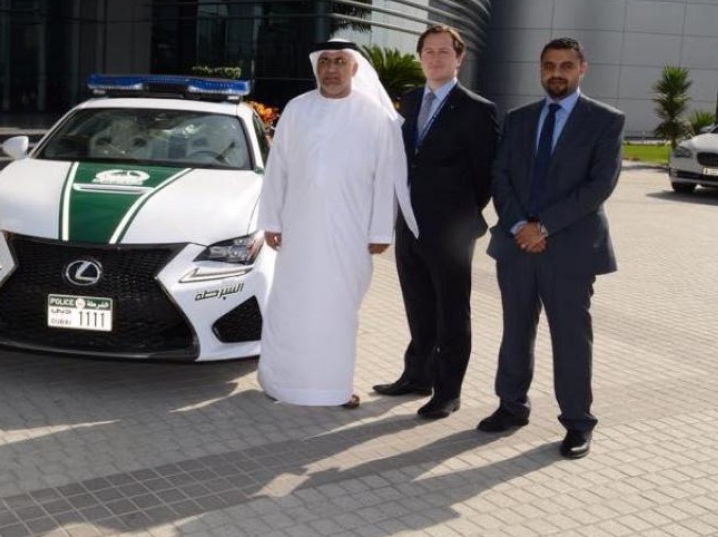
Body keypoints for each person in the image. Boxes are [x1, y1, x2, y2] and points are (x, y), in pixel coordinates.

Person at [477, 37, 624, 459]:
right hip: (516, 245)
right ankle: (511, 406)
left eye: (565, 65)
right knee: (515, 331)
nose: (556, 73)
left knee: (571, 338)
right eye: (548, 66)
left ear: (582, 69)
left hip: (571, 249)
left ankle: (578, 422)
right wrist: (521, 224)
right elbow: (500, 174)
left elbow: (599, 186)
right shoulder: (519, 119)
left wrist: (544, 227)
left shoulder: (605, 121)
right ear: (540, 69)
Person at [256, 39, 417, 408]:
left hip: (350, 234)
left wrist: (379, 231)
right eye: (325, 62)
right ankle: (283, 384)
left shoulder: (374, 115)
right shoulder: (297, 109)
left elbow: (385, 178)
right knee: (290, 308)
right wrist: (271, 220)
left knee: (338, 312)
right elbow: (277, 168)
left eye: (340, 62)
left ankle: (332, 388)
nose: (331, 69)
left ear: (354, 69)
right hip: (298, 231)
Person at [372, 25, 498, 420]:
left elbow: (485, 176)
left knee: (451, 312)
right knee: (418, 305)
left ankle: (448, 391)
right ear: (420, 57)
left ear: (459, 58)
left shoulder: (478, 109)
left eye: (445, 51)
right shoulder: (408, 101)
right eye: (429, 51)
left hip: (451, 231)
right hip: (408, 225)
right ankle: (417, 376)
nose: (436, 58)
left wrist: (458, 215)